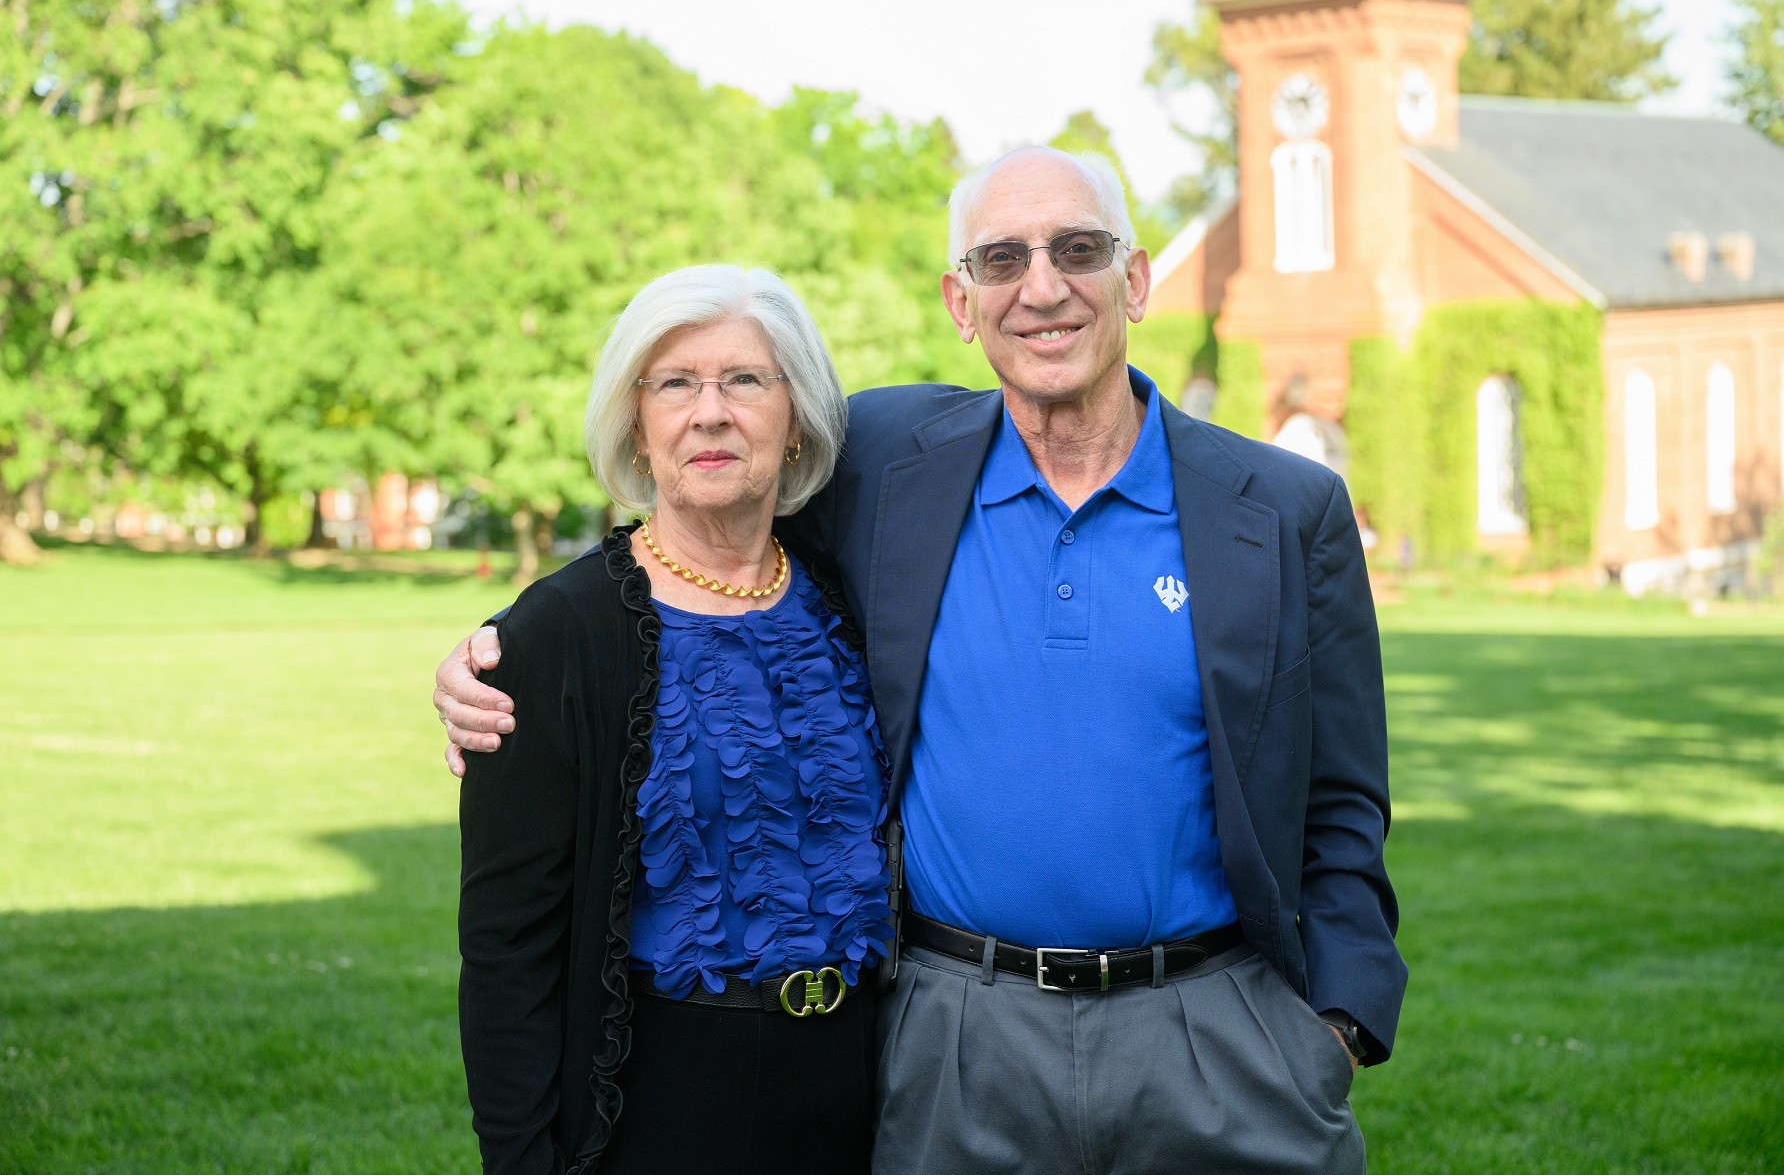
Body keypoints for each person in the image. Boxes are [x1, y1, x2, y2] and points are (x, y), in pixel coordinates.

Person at [439, 147, 1406, 1174]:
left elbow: (1342, 793)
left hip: (1214, 1033)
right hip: (957, 1039)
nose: (1041, 288)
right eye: (1000, 260)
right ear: (960, 299)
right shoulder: (894, 463)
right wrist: (496, 655)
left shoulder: (1282, 509)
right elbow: (687, 541)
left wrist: (1334, 1020)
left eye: (1077, 250)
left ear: (1133, 278)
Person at [455, 264, 893, 1175]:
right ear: (638, 425)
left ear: (799, 416)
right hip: (661, 1106)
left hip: (866, 1091)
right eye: (676, 384)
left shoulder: (855, 599)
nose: (710, 412)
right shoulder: (556, 635)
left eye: (744, 380)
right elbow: (506, 946)